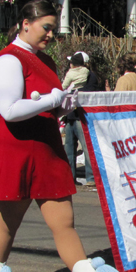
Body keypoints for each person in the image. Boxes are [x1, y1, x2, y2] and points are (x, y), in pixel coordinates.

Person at [0, 0, 129, 272]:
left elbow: (47, 102)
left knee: (64, 222)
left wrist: (63, 105)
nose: (50, 35)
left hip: (46, 148)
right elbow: (8, 110)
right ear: (25, 23)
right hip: (15, 150)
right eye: (46, 28)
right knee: (8, 222)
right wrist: (51, 100)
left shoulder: (44, 60)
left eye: (53, 29)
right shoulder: (7, 60)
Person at [62, 51, 95, 186]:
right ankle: (70, 177)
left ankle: (91, 178)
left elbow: (89, 92)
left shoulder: (90, 77)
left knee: (86, 147)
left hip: (81, 116)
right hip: (70, 116)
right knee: (69, 148)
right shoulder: (74, 75)